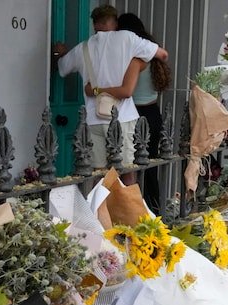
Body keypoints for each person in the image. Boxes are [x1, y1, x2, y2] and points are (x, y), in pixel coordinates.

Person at [53, 5, 168, 185]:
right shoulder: (127, 38)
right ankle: (129, 212)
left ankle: (99, 212)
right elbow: (162, 54)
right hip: (122, 119)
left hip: (94, 120)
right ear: (114, 22)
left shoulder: (83, 48)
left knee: (98, 176)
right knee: (128, 171)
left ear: (94, 25)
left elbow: (61, 67)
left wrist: (57, 52)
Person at [83, 13, 172, 213]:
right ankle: (151, 210)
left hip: (128, 115)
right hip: (152, 112)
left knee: (120, 169)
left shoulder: (129, 57)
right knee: (147, 166)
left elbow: (124, 91)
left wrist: (95, 90)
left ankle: (119, 212)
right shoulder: (149, 56)